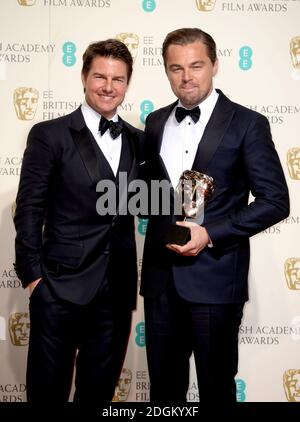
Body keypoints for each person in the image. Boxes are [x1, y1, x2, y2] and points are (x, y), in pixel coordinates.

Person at [140, 27, 289, 402]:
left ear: (215, 65)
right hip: (161, 282)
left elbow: (275, 201)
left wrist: (211, 233)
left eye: (196, 66)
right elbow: (156, 196)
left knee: (216, 389)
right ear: (165, 70)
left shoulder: (247, 123)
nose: (186, 77)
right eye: (176, 68)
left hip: (216, 282)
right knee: (164, 392)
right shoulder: (155, 123)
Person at [14, 39, 144, 403]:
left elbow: (154, 202)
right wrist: (33, 277)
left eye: (118, 79)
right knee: (47, 393)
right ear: (84, 77)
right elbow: (28, 209)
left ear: (127, 84)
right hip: (58, 286)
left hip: (116, 292)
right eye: (100, 76)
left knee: (99, 395)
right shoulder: (49, 134)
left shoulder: (139, 141)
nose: (108, 86)